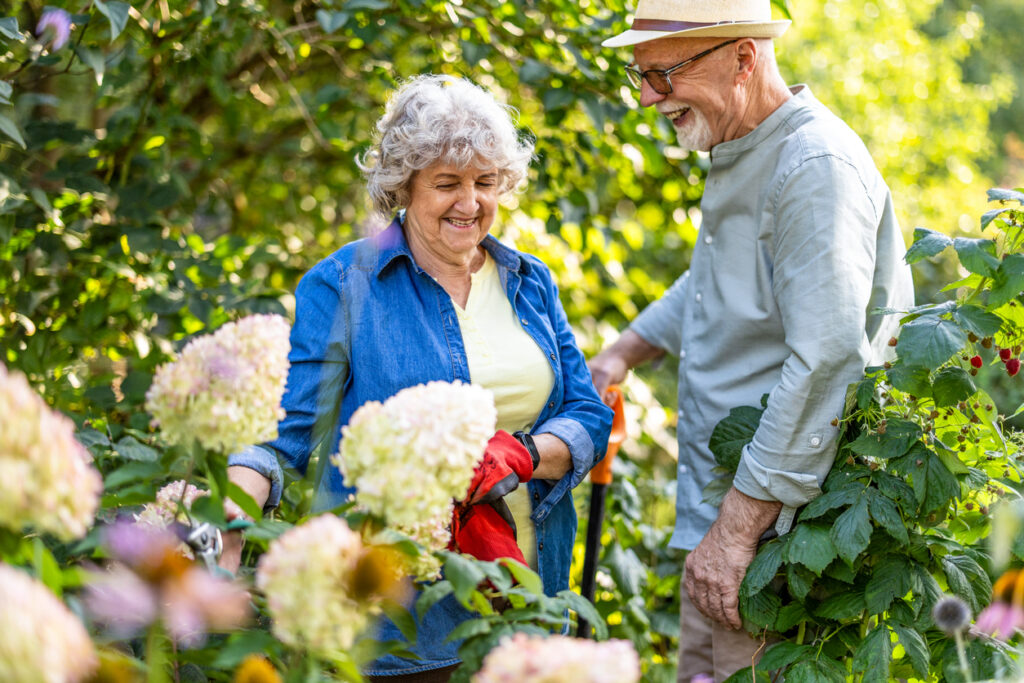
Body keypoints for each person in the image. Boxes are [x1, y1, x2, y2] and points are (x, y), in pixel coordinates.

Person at [222, 74, 613, 681]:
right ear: (403, 186)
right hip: (401, 629)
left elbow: (588, 414)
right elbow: (289, 439)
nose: (470, 202)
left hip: (531, 611)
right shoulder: (345, 285)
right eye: (447, 183)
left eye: (486, 182)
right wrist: (229, 505)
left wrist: (522, 453)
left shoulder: (529, 280)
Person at [589, 1, 915, 681]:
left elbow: (828, 358)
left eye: (665, 74)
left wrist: (735, 534)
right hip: (728, 531)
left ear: (743, 58)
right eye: (640, 76)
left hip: (773, 546)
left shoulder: (811, 166)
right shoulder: (747, 148)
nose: (650, 97)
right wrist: (623, 351)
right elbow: (716, 280)